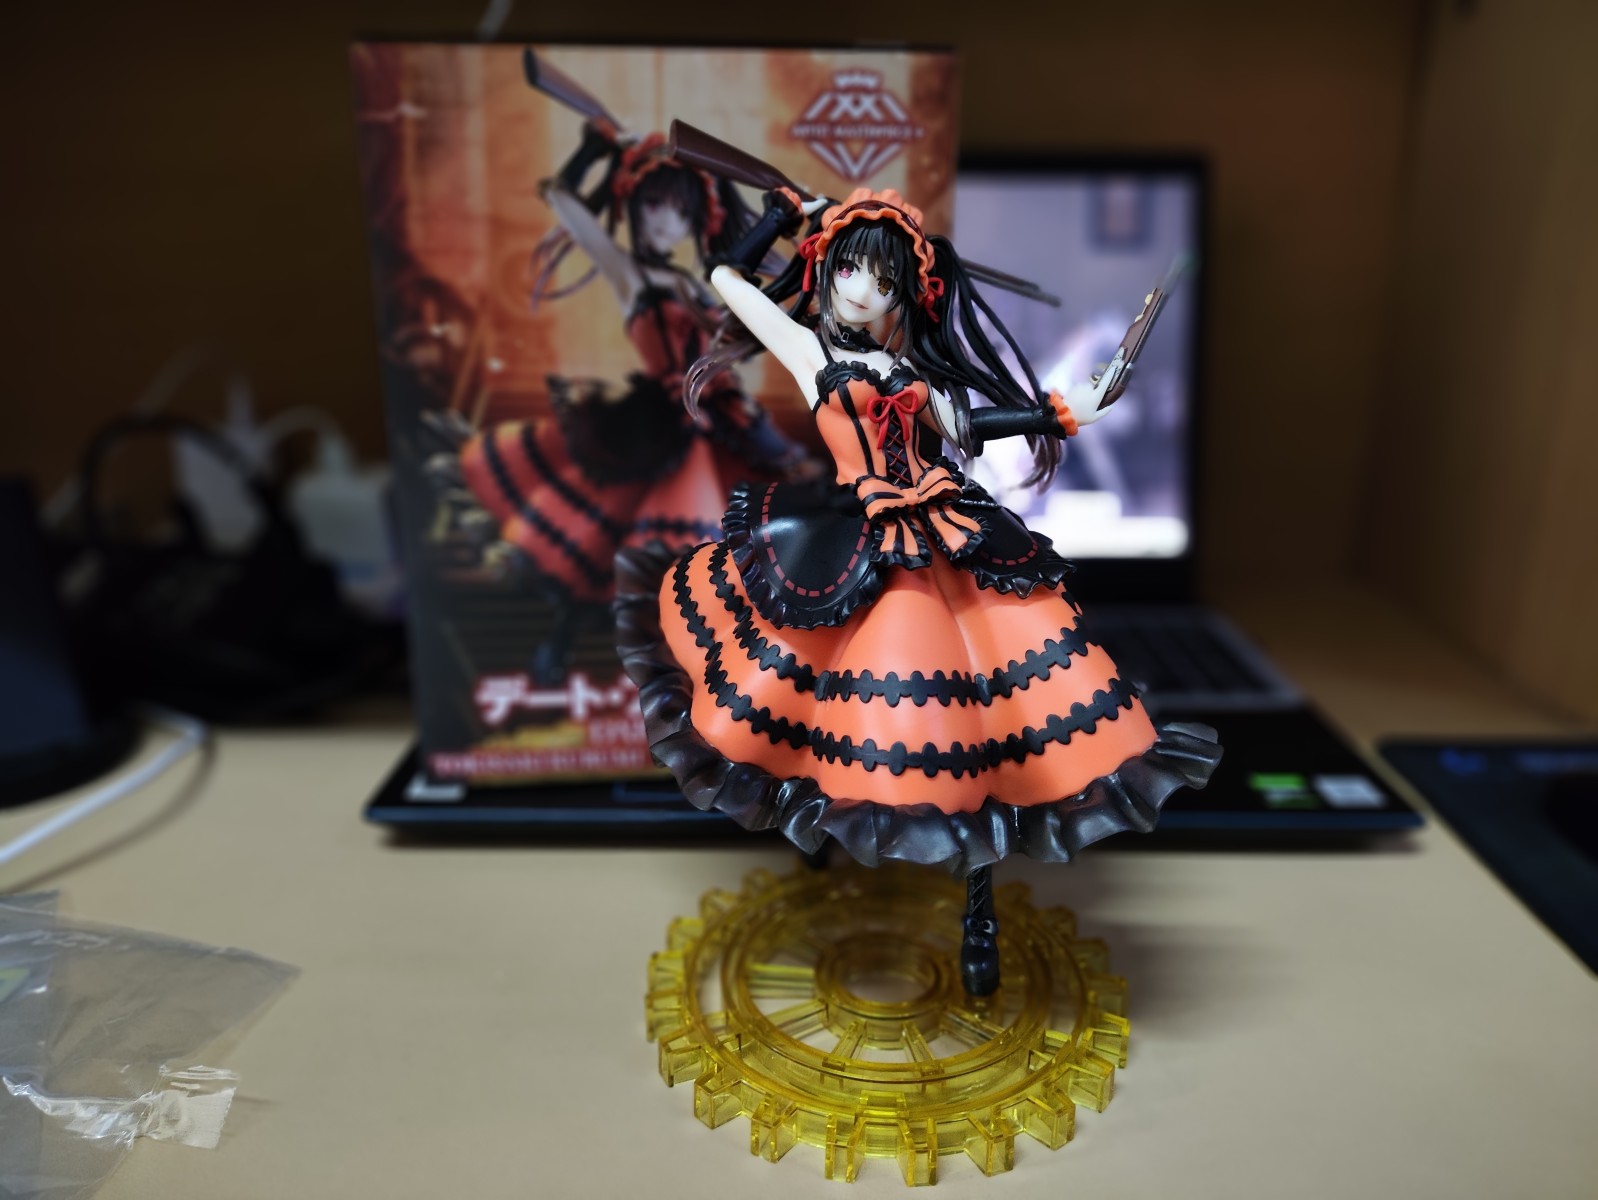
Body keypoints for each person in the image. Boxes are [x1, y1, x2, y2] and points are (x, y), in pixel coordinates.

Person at [616, 186, 1221, 995]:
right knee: (833, 699)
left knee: (988, 707)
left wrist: (1066, 412)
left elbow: (971, 429)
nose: (864, 291)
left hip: (943, 528)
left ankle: (978, 904)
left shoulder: (909, 371)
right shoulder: (808, 351)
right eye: (852, 271)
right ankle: (826, 832)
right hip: (857, 532)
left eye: (885, 281)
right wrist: (783, 214)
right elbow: (726, 275)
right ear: (827, 268)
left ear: (906, 294)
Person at [458, 125, 814, 681]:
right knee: (612, 538)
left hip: (714, 420)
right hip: (653, 427)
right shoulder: (630, 273)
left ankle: (703, 665)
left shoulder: (695, 283)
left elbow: (749, 315)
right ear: (633, 205)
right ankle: (574, 641)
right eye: (654, 204)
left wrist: (782, 225)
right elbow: (561, 199)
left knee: (712, 548)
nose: (666, 221)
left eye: (680, 210)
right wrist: (590, 150)